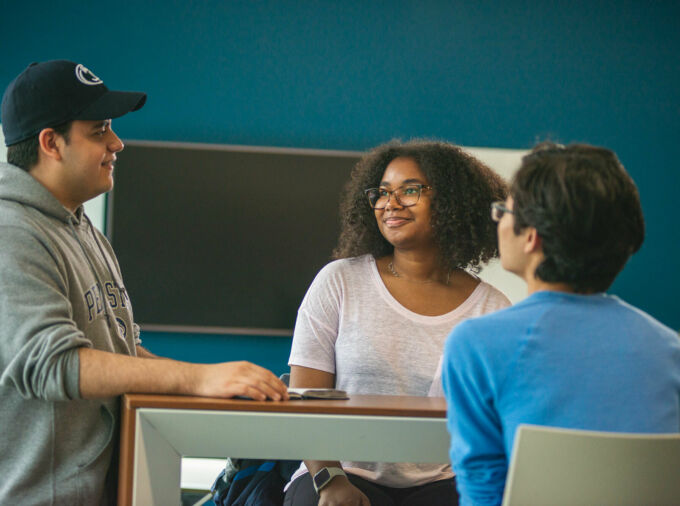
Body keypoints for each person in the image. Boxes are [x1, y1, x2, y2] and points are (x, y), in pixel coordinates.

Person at [0, 60, 288, 505]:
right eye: (99, 131)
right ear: (50, 143)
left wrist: (222, 391)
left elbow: (121, 353)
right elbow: (55, 364)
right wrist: (195, 378)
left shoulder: (84, 230)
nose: (117, 143)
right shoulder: (11, 231)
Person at [441, 142, 680, 506]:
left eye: (504, 209)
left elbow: (483, 490)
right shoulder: (671, 350)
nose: (499, 220)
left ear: (532, 236)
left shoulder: (476, 344)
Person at [283, 140, 511, 506]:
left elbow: (493, 425)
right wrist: (330, 480)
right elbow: (302, 402)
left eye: (409, 190)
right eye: (382, 192)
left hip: (443, 482)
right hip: (339, 471)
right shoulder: (339, 281)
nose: (390, 203)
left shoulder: (492, 307)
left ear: (452, 201)